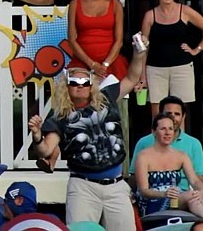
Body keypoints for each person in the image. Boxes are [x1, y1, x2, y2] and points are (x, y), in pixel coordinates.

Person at [28, 35, 148, 229]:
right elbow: (45, 150)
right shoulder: (60, 115)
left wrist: (139, 53)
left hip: (116, 185)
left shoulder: (107, 97)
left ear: (92, 84)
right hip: (83, 186)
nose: (80, 86)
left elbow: (132, 77)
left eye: (85, 82)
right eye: (74, 82)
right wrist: (36, 135)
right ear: (66, 87)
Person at [37, 0, 128, 173]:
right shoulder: (76, 3)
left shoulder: (115, 4)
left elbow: (119, 39)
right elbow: (72, 39)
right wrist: (91, 64)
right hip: (82, 63)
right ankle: (51, 154)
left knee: (106, 108)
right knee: (64, 104)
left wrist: (103, 65)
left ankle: (113, 159)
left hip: (109, 64)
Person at [141, 0, 203, 117]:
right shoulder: (150, 16)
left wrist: (196, 50)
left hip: (182, 68)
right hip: (155, 69)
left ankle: (179, 140)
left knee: (179, 113)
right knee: (157, 114)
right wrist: (142, 75)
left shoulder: (185, 11)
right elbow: (143, 48)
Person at [134, 113, 203, 221]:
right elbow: (143, 190)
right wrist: (163, 194)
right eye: (163, 129)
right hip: (153, 201)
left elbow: (195, 181)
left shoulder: (181, 155)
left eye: (170, 129)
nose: (167, 133)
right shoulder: (143, 156)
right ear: (154, 132)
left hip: (176, 198)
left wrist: (200, 192)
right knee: (190, 196)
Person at [130, 96, 203, 210]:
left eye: (177, 114)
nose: (173, 117)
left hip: (185, 196)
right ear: (161, 115)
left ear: (183, 117)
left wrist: (201, 196)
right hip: (158, 198)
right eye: (168, 113)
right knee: (191, 199)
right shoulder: (144, 143)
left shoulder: (193, 144)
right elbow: (134, 179)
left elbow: (198, 178)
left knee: (202, 204)